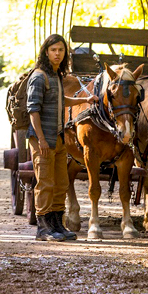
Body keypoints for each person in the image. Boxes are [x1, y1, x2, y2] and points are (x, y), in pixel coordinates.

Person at [27, 34, 98, 242]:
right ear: (46, 52)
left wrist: (85, 99)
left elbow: (60, 99)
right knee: (45, 183)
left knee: (61, 183)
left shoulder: (56, 75)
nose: (57, 54)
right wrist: (41, 139)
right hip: (43, 139)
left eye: (60, 50)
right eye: (53, 50)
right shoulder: (39, 77)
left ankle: (58, 224)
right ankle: (43, 228)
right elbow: (33, 110)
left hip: (58, 138)